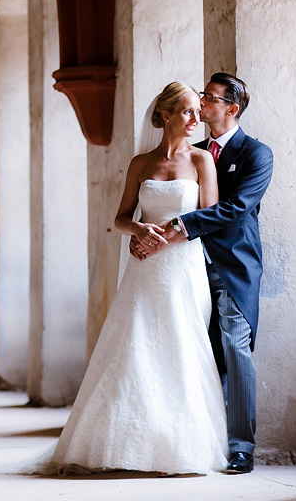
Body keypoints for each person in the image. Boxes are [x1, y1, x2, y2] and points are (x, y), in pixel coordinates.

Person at [21, 82, 228, 476]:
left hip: (182, 267)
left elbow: (208, 219)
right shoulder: (140, 163)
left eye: (196, 111)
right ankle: (127, 446)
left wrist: (162, 238)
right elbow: (120, 217)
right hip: (144, 269)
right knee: (135, 346)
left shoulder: (202, 160)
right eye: (187, 111)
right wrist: (138, 231)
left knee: (181, 346)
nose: (195, 118)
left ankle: (178, 448)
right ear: (165, 115)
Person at [131, 72, 273, 475]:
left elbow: (237, 208)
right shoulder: (191, 153)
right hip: (185, 266)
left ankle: (241, 448)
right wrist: (143, 234)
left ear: (232, 108)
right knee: (191, 349)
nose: (202, 104)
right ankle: (195, 440)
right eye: (200, 98)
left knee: (235, 347)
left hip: (232, 265)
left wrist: (177, 228)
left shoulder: (256, 153)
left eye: (210, 98)